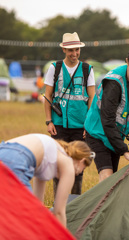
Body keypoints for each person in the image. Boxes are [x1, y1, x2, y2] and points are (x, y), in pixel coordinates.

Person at [84, 45, 129, 182]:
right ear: (127, 62)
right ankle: (101, 203)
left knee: (113, 178)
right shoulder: (114, 83)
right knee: (107, 178)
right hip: (98, 132)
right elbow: (107, 121)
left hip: (115, 133)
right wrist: (125, 152)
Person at [0, 133, 94, 227]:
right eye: (83, 168)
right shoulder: (67, 163)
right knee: (23, 220)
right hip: (16, 160)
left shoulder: (50, 152)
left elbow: (37, 204)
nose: (79, 173)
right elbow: (59, 212)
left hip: (3, 150)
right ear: (82, 161)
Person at [44, 32, 95, 195]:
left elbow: (92, 100)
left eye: (77, 50)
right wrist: (48, 121)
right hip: (58, 124)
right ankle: (59, 199)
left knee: (79, 163)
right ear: (64, 51)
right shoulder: (55, 68)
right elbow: (48, 96)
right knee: (58, 162)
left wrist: (89, 124)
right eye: (71, 50)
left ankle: (75, 199)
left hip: (81, 125)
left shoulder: (87, 69)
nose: (74, 53)